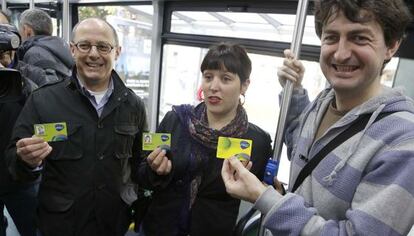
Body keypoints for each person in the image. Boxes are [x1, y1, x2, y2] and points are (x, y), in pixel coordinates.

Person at [222, 0, 414, 235]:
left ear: (392, 45)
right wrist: (295, 90)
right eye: (331, 37)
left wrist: (264, 198)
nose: (341, 54)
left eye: (360, 38)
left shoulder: (403, 141)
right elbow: (300, 150)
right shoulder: (323, 101)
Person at [6, 18, 147, 236]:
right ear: (72, 49)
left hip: (114, 223)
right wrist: (26, 161)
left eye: (103, 47)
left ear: (117, 52)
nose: (93, 54)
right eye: (84, 45)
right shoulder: (43, 100)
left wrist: (158, 170)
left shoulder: (134, 105)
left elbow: (141, 164)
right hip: (60, 225)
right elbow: (13, 164)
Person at [135, 42, 272, 236]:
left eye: (225, 79)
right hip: (160, 227)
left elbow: (263, 195)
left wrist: (263, 190)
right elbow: (141, 173)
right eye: (208, 77)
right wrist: (154, 170)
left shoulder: (257, 141)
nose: (213, 86)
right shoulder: (174, 119)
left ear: (244, 85)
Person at [0, 10, 38, 236]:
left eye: (4, 52)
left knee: (34, 229)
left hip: (19, 178)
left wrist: (20, 86)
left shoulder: (30, 79)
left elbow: (51, 119)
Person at [16, 8, 74, 86]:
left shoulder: (34, 53)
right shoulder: (63, 48)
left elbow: (43, 91)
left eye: (20, 30)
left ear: (27, 31)